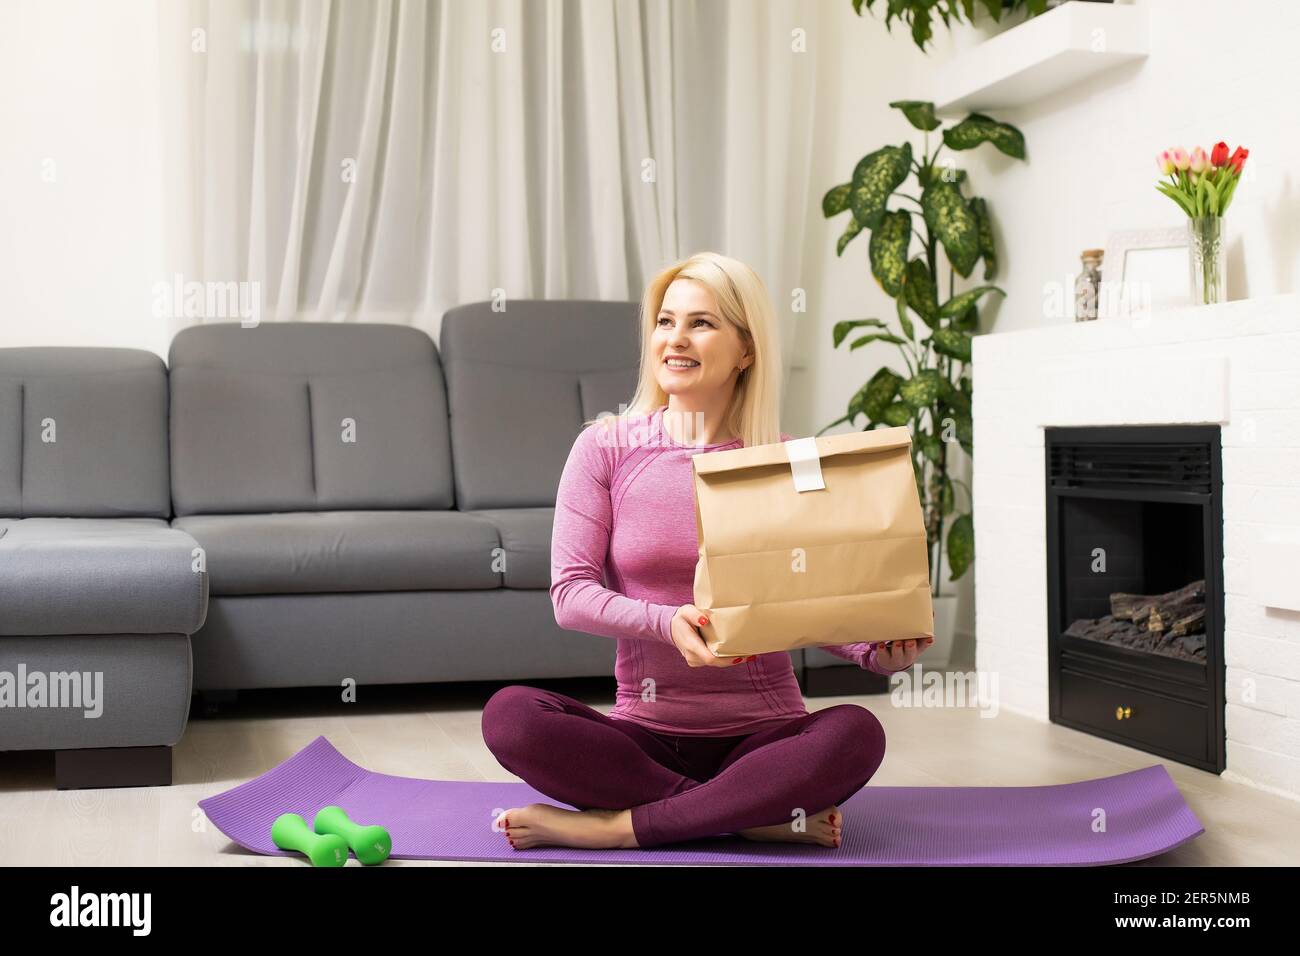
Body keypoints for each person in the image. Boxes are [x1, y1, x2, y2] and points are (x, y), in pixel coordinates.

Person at [482, 251, 933, 851]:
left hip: (766, 739)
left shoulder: (787, 459)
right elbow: (570, 594)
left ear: (746, 349)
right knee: (510, 715)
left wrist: (879, 653)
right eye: (665, 322)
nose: (675, 339)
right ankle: (743, 815)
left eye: (702, 323)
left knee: (857, 732)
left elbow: (814, 600)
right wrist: (668, 622)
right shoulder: (607, 449)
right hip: (644, 735)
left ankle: (621, 828)